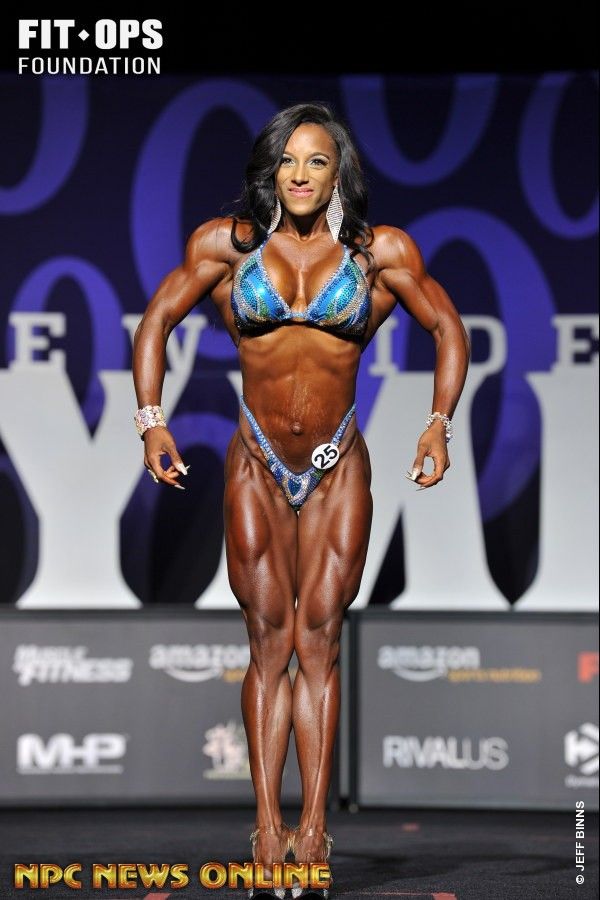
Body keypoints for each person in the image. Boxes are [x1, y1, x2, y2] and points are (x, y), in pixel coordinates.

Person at [132, 101, 470, 898]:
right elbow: (157, 320)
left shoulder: (379, 253)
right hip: (255, 459)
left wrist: (438, 425)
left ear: (338, 171)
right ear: (271, 169)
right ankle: (266, 827)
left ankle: (313, 829)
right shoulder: (227, 245)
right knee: (268, 642)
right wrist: (151, 422)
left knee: (318, 641)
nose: (301, 174)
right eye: (288, 159)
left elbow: (448, 328)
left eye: (317, 160)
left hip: (335, 464)